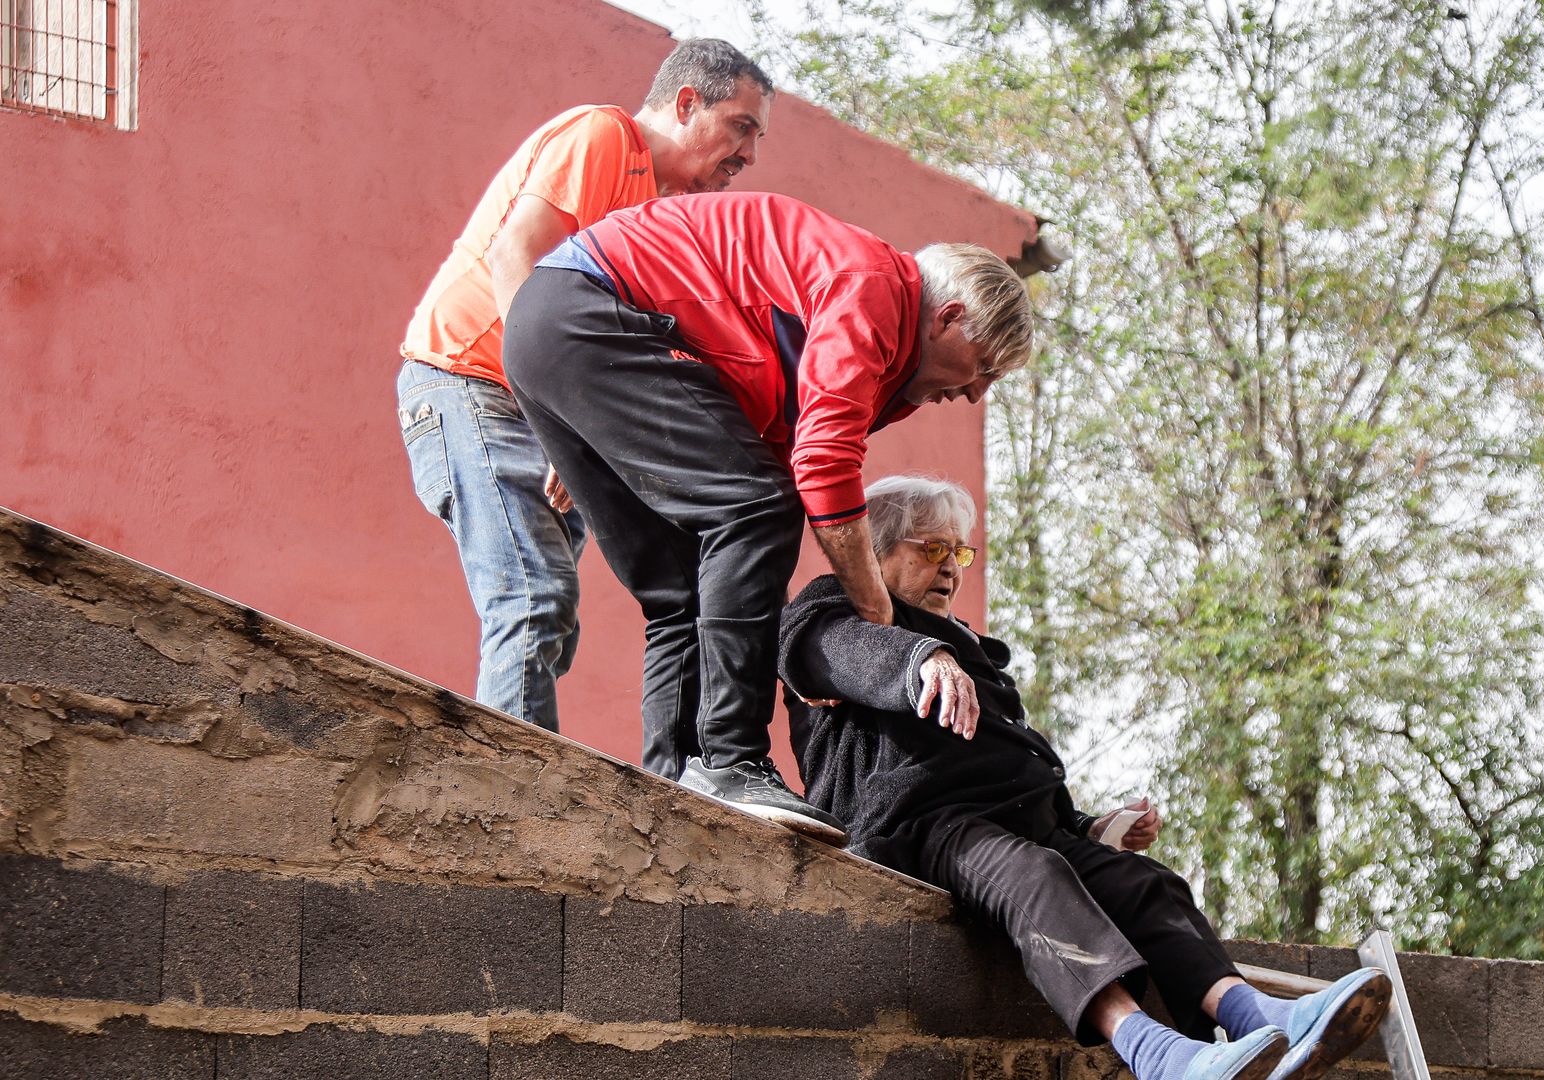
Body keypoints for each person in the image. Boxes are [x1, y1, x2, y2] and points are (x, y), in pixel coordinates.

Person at [777, 476, 1390, 1080]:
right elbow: (828, 652)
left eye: (958, 552)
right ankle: (1161, 1056)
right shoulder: (835, 610)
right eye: (932, 549)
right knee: (1036, 874)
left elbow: (1003, 770)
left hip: (1023, 828)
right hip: (920, 828)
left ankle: (1258, 1017)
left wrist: (1089, 825)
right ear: (875, 550)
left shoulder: (969, 646)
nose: (951, 568)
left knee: (1144, 882)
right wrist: (918, 658)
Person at [500, 192, 1033, 844]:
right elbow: (820, 463)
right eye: (982, 370)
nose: (975, 394)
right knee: (757, 506)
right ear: (947, 317)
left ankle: (670, 781)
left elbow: (775, 442)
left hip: (555, 336)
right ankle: (731, 759)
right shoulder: (875, 291)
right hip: (592, 313)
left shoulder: (890, 366)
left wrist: (601, 428)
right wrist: (876, 610)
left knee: (683, 584)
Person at [396, 39, 774, 732]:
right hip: (470, 385)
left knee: (551, 620)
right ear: (686, 103)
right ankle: (510, 801)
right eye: (741, 127)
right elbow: (518, 254)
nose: (749, 155)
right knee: (532, 601)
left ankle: (518, 780)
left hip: (535, 410)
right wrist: (559, 421)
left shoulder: (657, 212)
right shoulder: (605, 135)